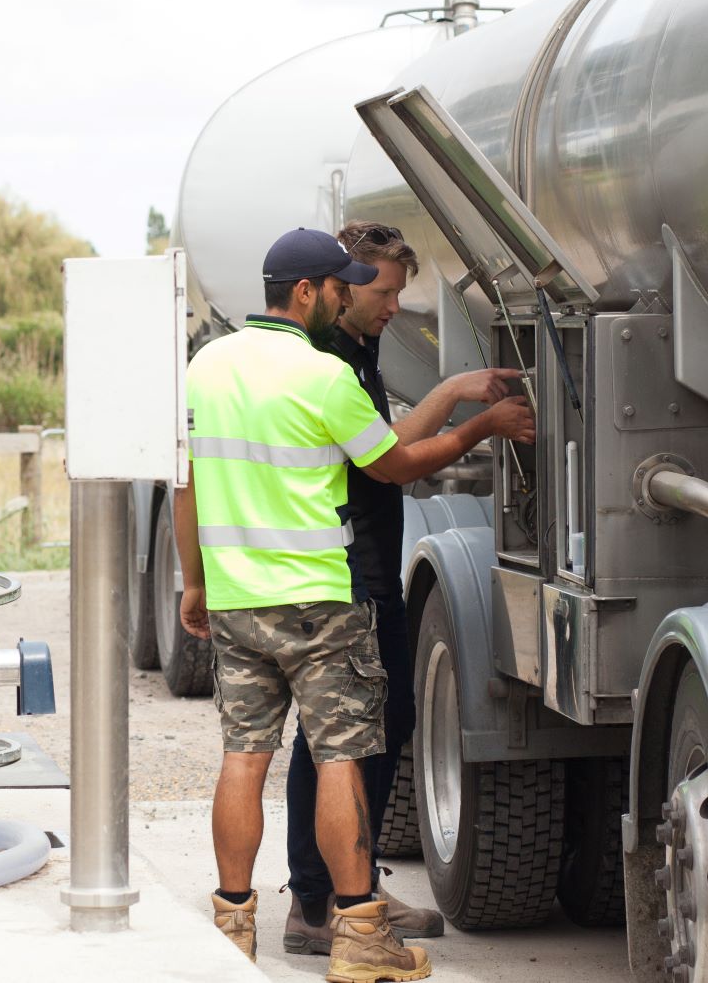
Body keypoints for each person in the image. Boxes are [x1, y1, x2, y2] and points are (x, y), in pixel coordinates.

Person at [173, 227, 521, 981]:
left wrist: (194, 581)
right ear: (306, 292)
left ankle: (232, 929)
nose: (346, 295)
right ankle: (359, 937)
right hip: (320, 600)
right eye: (340, 286)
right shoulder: (321, 373)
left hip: (237, 600)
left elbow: (184, 481)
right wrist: (481, 428)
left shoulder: (206, 365)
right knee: (340, 756)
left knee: (243, 757)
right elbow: (393, 463)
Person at [282, 221, 535, 956]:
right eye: (386, 290)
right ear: (346, 283)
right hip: (347, 570)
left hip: (367, 567)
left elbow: (384, 444)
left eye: (398, 290)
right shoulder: (328, 352)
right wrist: (469, 410)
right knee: (335, 739)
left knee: (385, 724)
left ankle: (350, 886)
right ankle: (317, 901)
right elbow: (388, 460)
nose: (394, 304)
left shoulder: (357, 348)